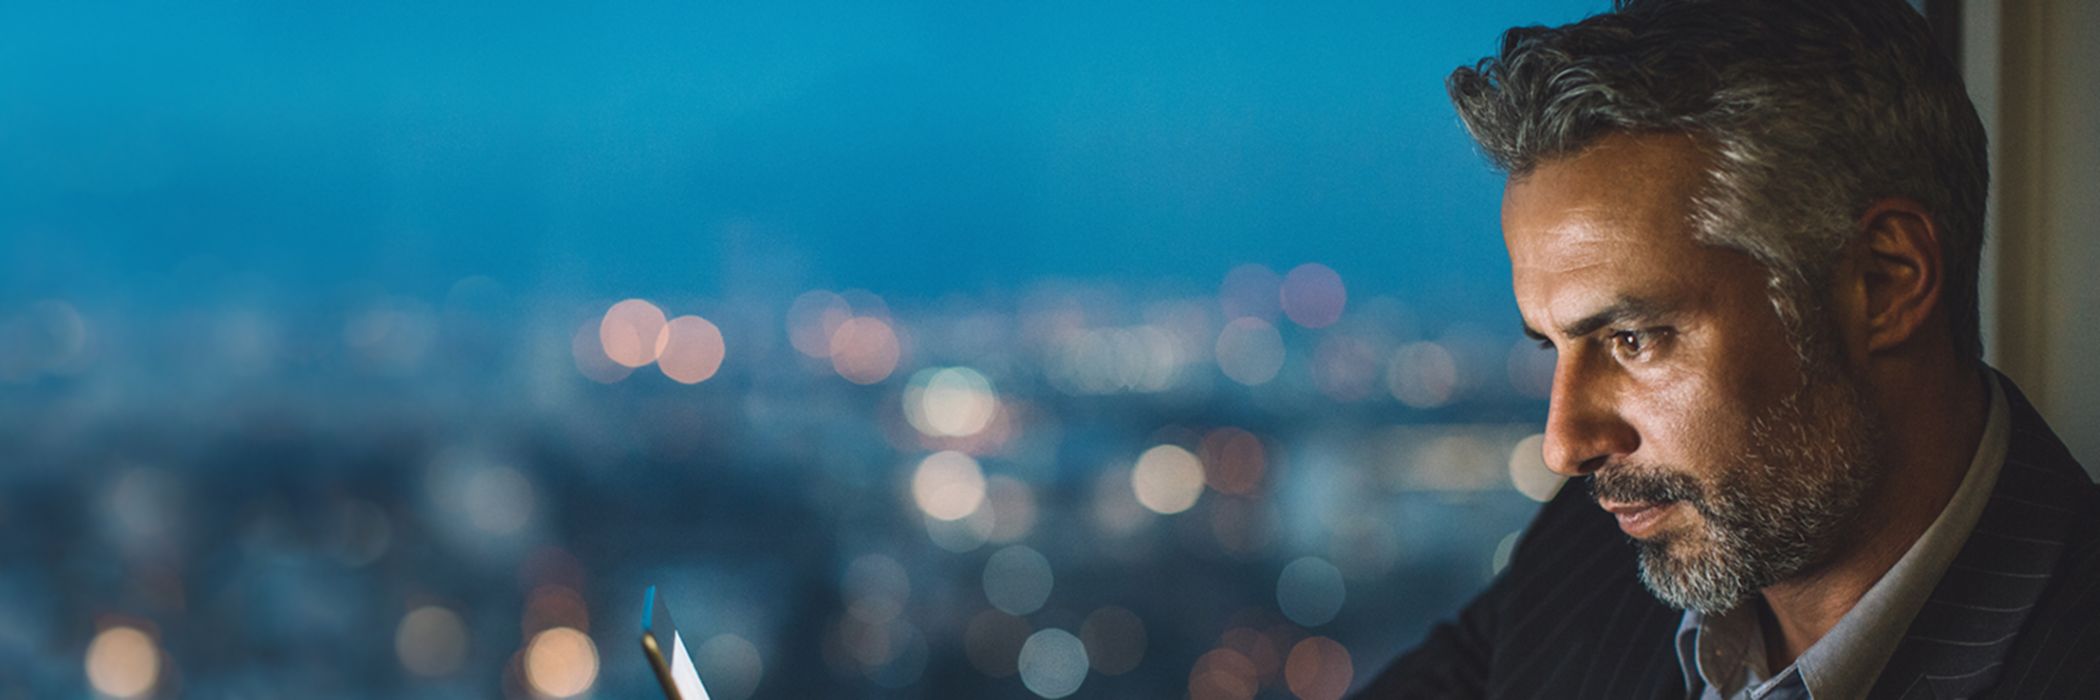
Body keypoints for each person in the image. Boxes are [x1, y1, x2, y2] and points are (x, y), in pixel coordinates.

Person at [1353, 0, 2100, 697]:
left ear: (1885, 283)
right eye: (1553, 347)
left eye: (1632, 339)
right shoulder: (1594, 550)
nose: (1563, 447)